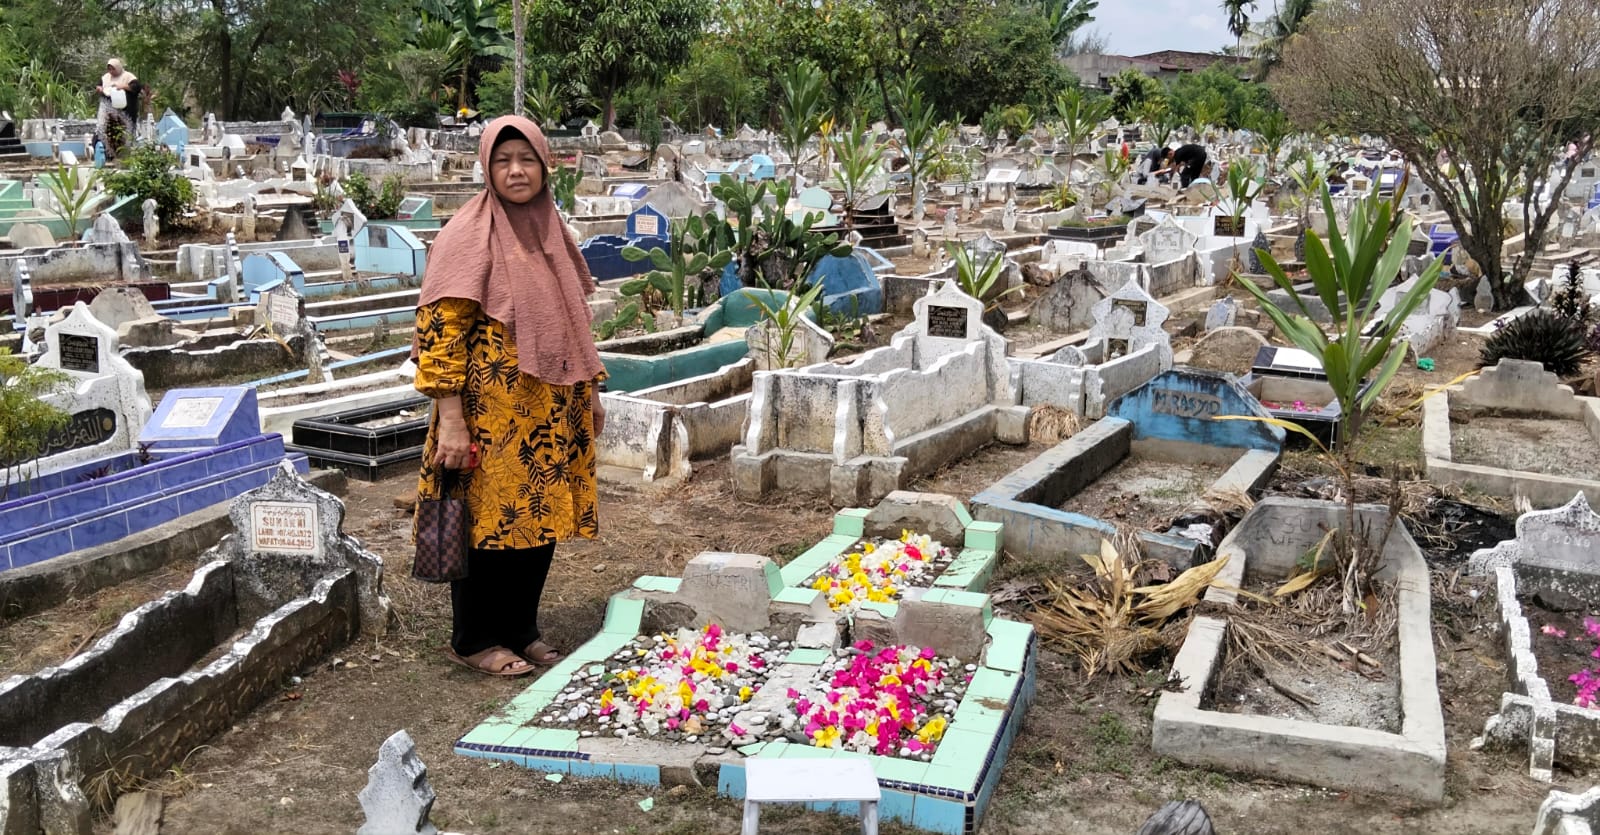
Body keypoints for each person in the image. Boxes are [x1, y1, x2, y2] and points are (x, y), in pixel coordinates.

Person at [412, 115, 607, 678]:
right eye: (503, 161)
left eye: (526, 159)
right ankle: (473, 638)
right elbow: (440, 331)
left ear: (545, 164)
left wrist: (589, 394)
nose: (516, 171)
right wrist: (451, 420)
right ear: (486, 169)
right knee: (484, 525)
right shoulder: (467, 236)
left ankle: (522, 628)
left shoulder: (551, 232)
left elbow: (575, 323)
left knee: (538, 521)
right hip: (487, 414)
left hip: (551, 411)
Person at [94, 58, 142, 158]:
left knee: (124, 135)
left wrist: (123, 86)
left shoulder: (128, 76)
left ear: (118, 68)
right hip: (108, 111)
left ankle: (124, 156)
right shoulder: (106, 77)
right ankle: (105, 155)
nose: (111, 72)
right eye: (109, 69)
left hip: (125, 113)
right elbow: (99, 85)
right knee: (105, 132)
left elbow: (137, 88)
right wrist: (99, 89)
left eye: (113, 69)